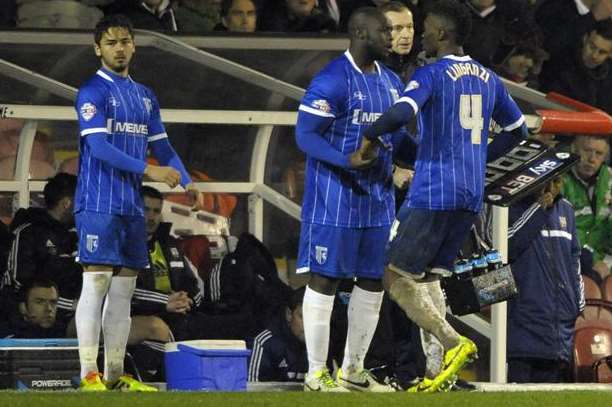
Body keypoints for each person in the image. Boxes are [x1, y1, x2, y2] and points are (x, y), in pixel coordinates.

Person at [361, 0, 527, 392]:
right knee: (429, 279)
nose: (420, 35)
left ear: (439, 33)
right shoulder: (488, 77)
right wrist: (479, 156)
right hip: (470, 196)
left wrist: (369, 135)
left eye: (425, 28)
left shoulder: (432, 74)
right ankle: (438, 372)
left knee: (392, 274)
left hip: (433, 191)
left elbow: (401, 114)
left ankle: (453, 342)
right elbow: (519, 131)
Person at [73, 14, 203, 392]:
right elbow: (99, 147)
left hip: (130, 206)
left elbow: (162, 146)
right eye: (111, 42)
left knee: (123, 292)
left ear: (134, 45)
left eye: (125, 41)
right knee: (95, 284)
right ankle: (88, 375)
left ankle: (113, 377)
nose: (119, 48)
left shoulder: (145, 95)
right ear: (98, 48)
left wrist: (186, 181)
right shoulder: (91, 92)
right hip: (98, 202)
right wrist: (152, 173)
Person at [295, 6, 405, 392]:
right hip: (334, 200)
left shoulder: (392, 82)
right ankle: (315, 373)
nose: (392, 38)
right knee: (325, 280)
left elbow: (402, 138)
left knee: (374, 281)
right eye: (384, 31)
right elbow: (305, 135)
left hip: (378, 202)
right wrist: (346, 160)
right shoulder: (331, 79)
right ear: (360, 32)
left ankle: (354, 371)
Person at [505, 176, 585, 383]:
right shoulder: (508, 205)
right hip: (523, 322)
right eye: (548, 179)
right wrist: (539, 208)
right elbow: (508, 246)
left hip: (559, 327)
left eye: (558, 179)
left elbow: (574, 258)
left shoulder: (566, 209)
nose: (552, 186)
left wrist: (576, 304)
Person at [1, 173, 81, 318]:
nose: (85, 207)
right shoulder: (28, 233)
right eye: (82, 201)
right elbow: (20, 284)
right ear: (67, 203)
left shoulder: (79, 234)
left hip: (75, 312)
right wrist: (72, 305)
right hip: (36, 320)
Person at [562, 135, 612, 282]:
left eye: (599, 153)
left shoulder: (610, 180)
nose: (592, 159)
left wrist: (607, 264)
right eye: (587, 150)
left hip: (604, 267)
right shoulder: (557, 180)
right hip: (567, 266)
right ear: (573, 149)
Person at [540, 20, 612, 114]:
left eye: (602, 52)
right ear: (584, 39)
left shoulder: (609, 77)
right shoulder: (560, 63)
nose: (594, 55)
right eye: (592, 47)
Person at [247, 287, 307, 382]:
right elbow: (251, 390)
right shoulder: (264, 343)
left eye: (316, 319)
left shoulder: (323, 344)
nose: (310, 325)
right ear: (289, 314)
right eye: (304, 317)